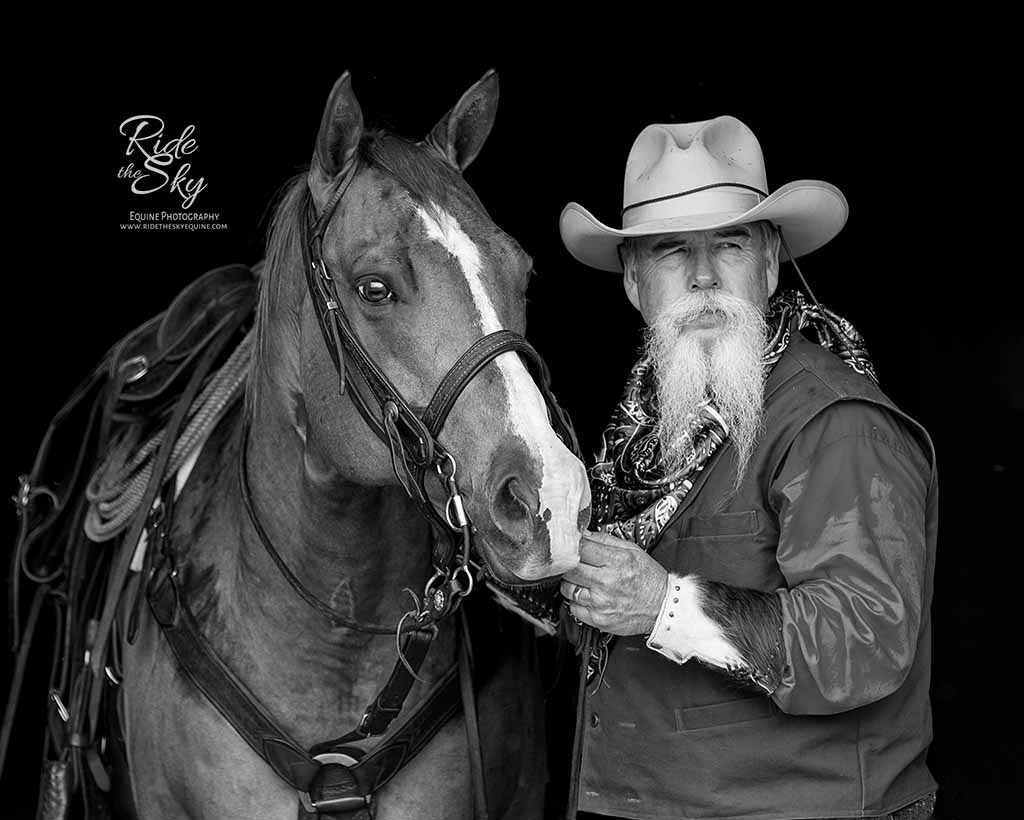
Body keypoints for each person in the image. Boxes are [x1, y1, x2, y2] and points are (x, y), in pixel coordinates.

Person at [556, 116, 938, 820]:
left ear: (768, 263)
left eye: (728, 245)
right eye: (672, 251)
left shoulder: (835, 421)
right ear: (635, 283)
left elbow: (868, 637)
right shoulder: (642, 432)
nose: (703, 276)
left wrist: (663, 606)